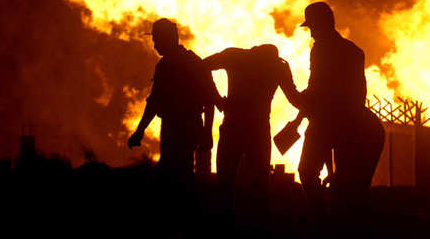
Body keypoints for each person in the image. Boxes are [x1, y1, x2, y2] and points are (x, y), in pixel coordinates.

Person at [293, 1, 384, 219]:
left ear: (323, 24)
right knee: (346, 187)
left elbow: (317, 89)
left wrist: (300, 105)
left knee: (307, 171)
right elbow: (357, 92)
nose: (311, 33)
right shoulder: (354, 51)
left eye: (313, 27)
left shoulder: (320, 51)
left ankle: (323, 220)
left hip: (334, 120)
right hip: (350, 120)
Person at [202, 44, 302, 226]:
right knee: (259, 190)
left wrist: (217, 99)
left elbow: (201, 67)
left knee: (225, 186)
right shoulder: (276, 67)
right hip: (257, 130)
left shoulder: (235, 56)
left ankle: (225, 228)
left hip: (234, 126)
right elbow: (296, 99)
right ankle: (258, 230)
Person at [127, 18, 219, 183]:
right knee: (177, 172)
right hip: (178, 127)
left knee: (175, 174)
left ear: (167, 39)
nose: (155, 46)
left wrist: (207, 133)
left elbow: (208, 100)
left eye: (157, 40)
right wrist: (140, 130)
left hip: (182, 128)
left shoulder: (174, 65)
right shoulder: (184, 63)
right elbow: (154, 102)